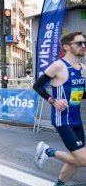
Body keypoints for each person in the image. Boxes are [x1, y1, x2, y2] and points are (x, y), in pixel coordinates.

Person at [33, 32, 86, 186]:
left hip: (76, 119)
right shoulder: (58, 66)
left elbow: (81, 94)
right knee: (82, 159)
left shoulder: (83, 68)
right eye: (79, 43)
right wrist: (53, 100)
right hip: (62, 119)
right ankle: (47, 151)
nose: (83, 46)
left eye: (84, 43)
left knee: (76, 159)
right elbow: (37, 85)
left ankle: (60, 184)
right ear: (66, 47)